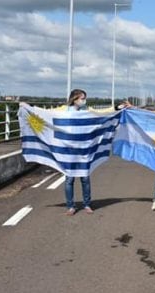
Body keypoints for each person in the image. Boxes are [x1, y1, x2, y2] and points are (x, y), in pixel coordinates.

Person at [64, 88, 93, 216]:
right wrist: (27, 107)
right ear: (74, 99)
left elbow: (101, 114)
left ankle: (87, 204)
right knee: (69, 179)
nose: (84, 101)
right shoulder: (65, 112)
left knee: (85, 178)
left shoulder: (85, 112)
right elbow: (46, 113)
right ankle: (70, 206)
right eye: (82, 98)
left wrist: (117, 108)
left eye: (84, 98)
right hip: (69, 150)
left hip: (83, 150)